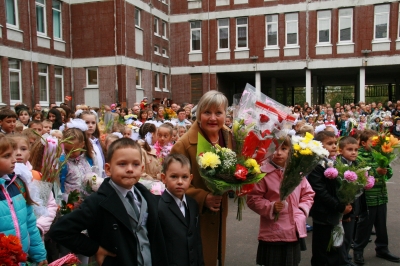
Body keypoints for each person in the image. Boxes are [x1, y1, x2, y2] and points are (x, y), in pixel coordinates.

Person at [49, 138, 168, 266]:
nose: (129, 169)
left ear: (142, 168)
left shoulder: (146, 196)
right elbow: (60, 230)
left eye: (135, 164)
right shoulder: (98, 202)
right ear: (108, 169)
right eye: (122, 164)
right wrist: (95, 248)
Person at [171, 90, 232, 266]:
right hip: (194, 217)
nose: (213, 118)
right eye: (207, 112)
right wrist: (203, 197)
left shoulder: (229, 137)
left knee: (216, 255)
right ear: (198, 114)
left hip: (220, 213)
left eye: (218, 112)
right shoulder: (183, 144)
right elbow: (172, 184)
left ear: (225, 114)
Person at [247, 139, 315, 266]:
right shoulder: (263, 174)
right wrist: (271, 207)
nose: (278, 153)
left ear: (291, 151)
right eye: (274, 148)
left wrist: (301, 211)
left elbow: (308, 194)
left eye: (283, 149)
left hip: (294, 229)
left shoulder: (296, 172)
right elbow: (253, 198)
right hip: (273, 232)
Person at [353, 130, 399, 264]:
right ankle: (358, 250)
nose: (376, 145)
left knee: (381, 224)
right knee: (365, 225)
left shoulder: (379, 154)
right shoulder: (359, 156)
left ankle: (382, 248)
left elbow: (388, 173)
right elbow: (361, 172)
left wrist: (386, 169)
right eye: (373, 142)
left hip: (381, 195)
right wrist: (376, 171)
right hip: (368, 197)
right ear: (363, 143)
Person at [0, 135, 47, 265]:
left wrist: (39, 255)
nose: (14, 160)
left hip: (20, 260)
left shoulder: (17, 184)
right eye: (7, 156)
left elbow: (30, 223)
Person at [308, 131, 352, 266]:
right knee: (322, 247)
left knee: (334, 246)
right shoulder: (316, 165)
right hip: (323, 212)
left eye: (335, 143)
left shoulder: (334, 162)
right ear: (319, 146)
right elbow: (320, 191)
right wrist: (339, 206)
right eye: (329, 143)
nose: (334, 146)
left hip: (335, 212)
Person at [159, 154, 204, 266]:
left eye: (184, 177)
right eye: (174, 176)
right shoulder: (159, 207)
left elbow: (196, 240)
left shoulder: (192, 204)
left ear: (191, 178)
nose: (180, 182)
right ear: (164, 178)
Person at [337, 136, 362, 266]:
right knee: (343, 237)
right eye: (350, 149)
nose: (354, 152)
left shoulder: (357, 164)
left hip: (353, 208)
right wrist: (345, 212)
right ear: (340, 150)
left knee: (349, 236)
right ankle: (343, 260)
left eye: (356, 150)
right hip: (344, 209)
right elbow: (341, 190)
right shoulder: (339, 166)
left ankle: (345, 257)